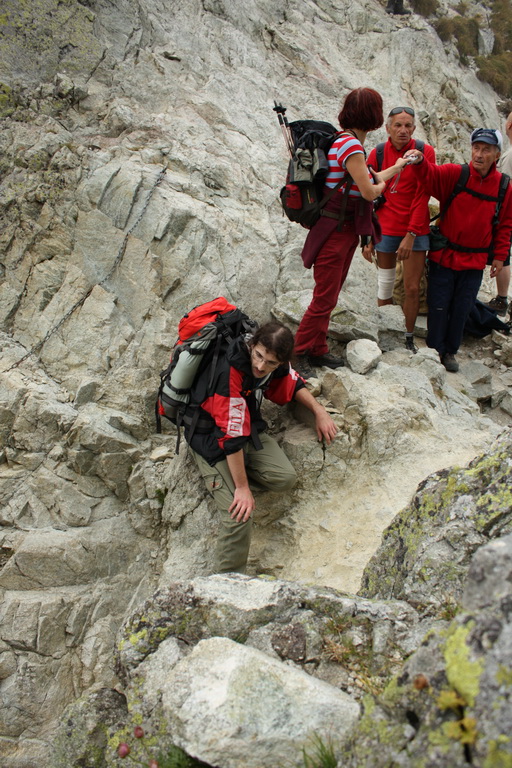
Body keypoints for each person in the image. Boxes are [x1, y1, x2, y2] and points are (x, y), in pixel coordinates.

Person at [184, 320, 338, 573]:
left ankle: (233, 475)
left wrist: (318, 410)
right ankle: (227, 583)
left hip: (245, 425)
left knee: (284, 478)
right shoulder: (229, 372)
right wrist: (242, 488)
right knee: (239, 517)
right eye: (258, 356)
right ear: (251, 344)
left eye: (270, 363)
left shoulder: (275, 361)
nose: (260, 366)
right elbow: (230, 436)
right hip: (207, 435)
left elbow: (292, 382)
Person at [294, 87, 412, 380]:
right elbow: (370, 189)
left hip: (338, 229)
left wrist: (397, 166)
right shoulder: (352, 147)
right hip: (336, 232)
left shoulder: (343, 141)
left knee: (329, 295)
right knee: (324, 297)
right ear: (373, 115)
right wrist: (383, 187)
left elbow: (367, 178)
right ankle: (297, 353)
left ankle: (318, 348)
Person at [405, 128, 512, 372]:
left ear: (497, 154)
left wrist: (499, 256)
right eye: (476, 148)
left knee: (462, 308)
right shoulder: (457, 173)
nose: (479, 154)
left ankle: (450, 352)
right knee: (439, 305)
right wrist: (421, 162)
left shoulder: (504, 187)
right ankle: (434, 350)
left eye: (486, 149)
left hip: (474, 261)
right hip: (445, 256)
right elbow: (429, 176)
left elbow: (505, 224)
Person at [364, 106, 436, 353]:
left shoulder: (424, 153)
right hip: (385, 228)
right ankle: (386, 333)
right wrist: (367, 238)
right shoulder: (378, 152)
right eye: (398, 125)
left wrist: (411, 234)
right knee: (385, 285)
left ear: (414, 129)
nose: (403, 130)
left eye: (408, 126)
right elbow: (367, 196)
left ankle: (407, 336)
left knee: (412, 287)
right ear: (388, 128)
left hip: (415, 228)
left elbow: (422, 194)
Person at [485, 111, 512, 316]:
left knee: (503, 256)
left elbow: (505, 184)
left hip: (506, 211)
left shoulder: (510, 156)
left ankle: (502, 299)